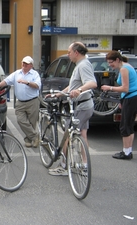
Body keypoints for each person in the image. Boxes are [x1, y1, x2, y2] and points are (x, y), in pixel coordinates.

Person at [48, 42, 97, 176]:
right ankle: (84, 165)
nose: (68, 54)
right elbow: (73, 86)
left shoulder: (83, 65)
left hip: (81, 105)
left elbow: (92, 83)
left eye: (69, 52)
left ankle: (64, 166)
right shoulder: (80, 65)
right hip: (84, 105)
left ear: (76, 52)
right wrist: (59, 94)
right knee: (83, 134)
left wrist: (79, 90)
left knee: (67, 135)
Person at [0, 56, 41, 148]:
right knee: (20, 120)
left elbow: (37, 86)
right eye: (23, 62)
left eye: (26, 63)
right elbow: (6, 81)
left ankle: (29, 139)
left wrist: (26, 82)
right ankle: (35, 136)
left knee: (32, 122)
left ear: (31, 65)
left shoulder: (35, 74)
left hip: (33, 101)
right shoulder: (16, 73)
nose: (24, 65)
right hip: (20, 102)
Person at [101, 51, 137, 160]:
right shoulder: (127, 66)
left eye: (111, 62)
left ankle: (126, 153)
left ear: (117, 60)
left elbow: (125, 88)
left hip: (130, 98)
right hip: (130, 98)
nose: (110, 65)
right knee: (129, 125)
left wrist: (109, 88)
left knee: (125, 126)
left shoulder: (124, 69)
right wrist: (122, 101)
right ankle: (128, 151)